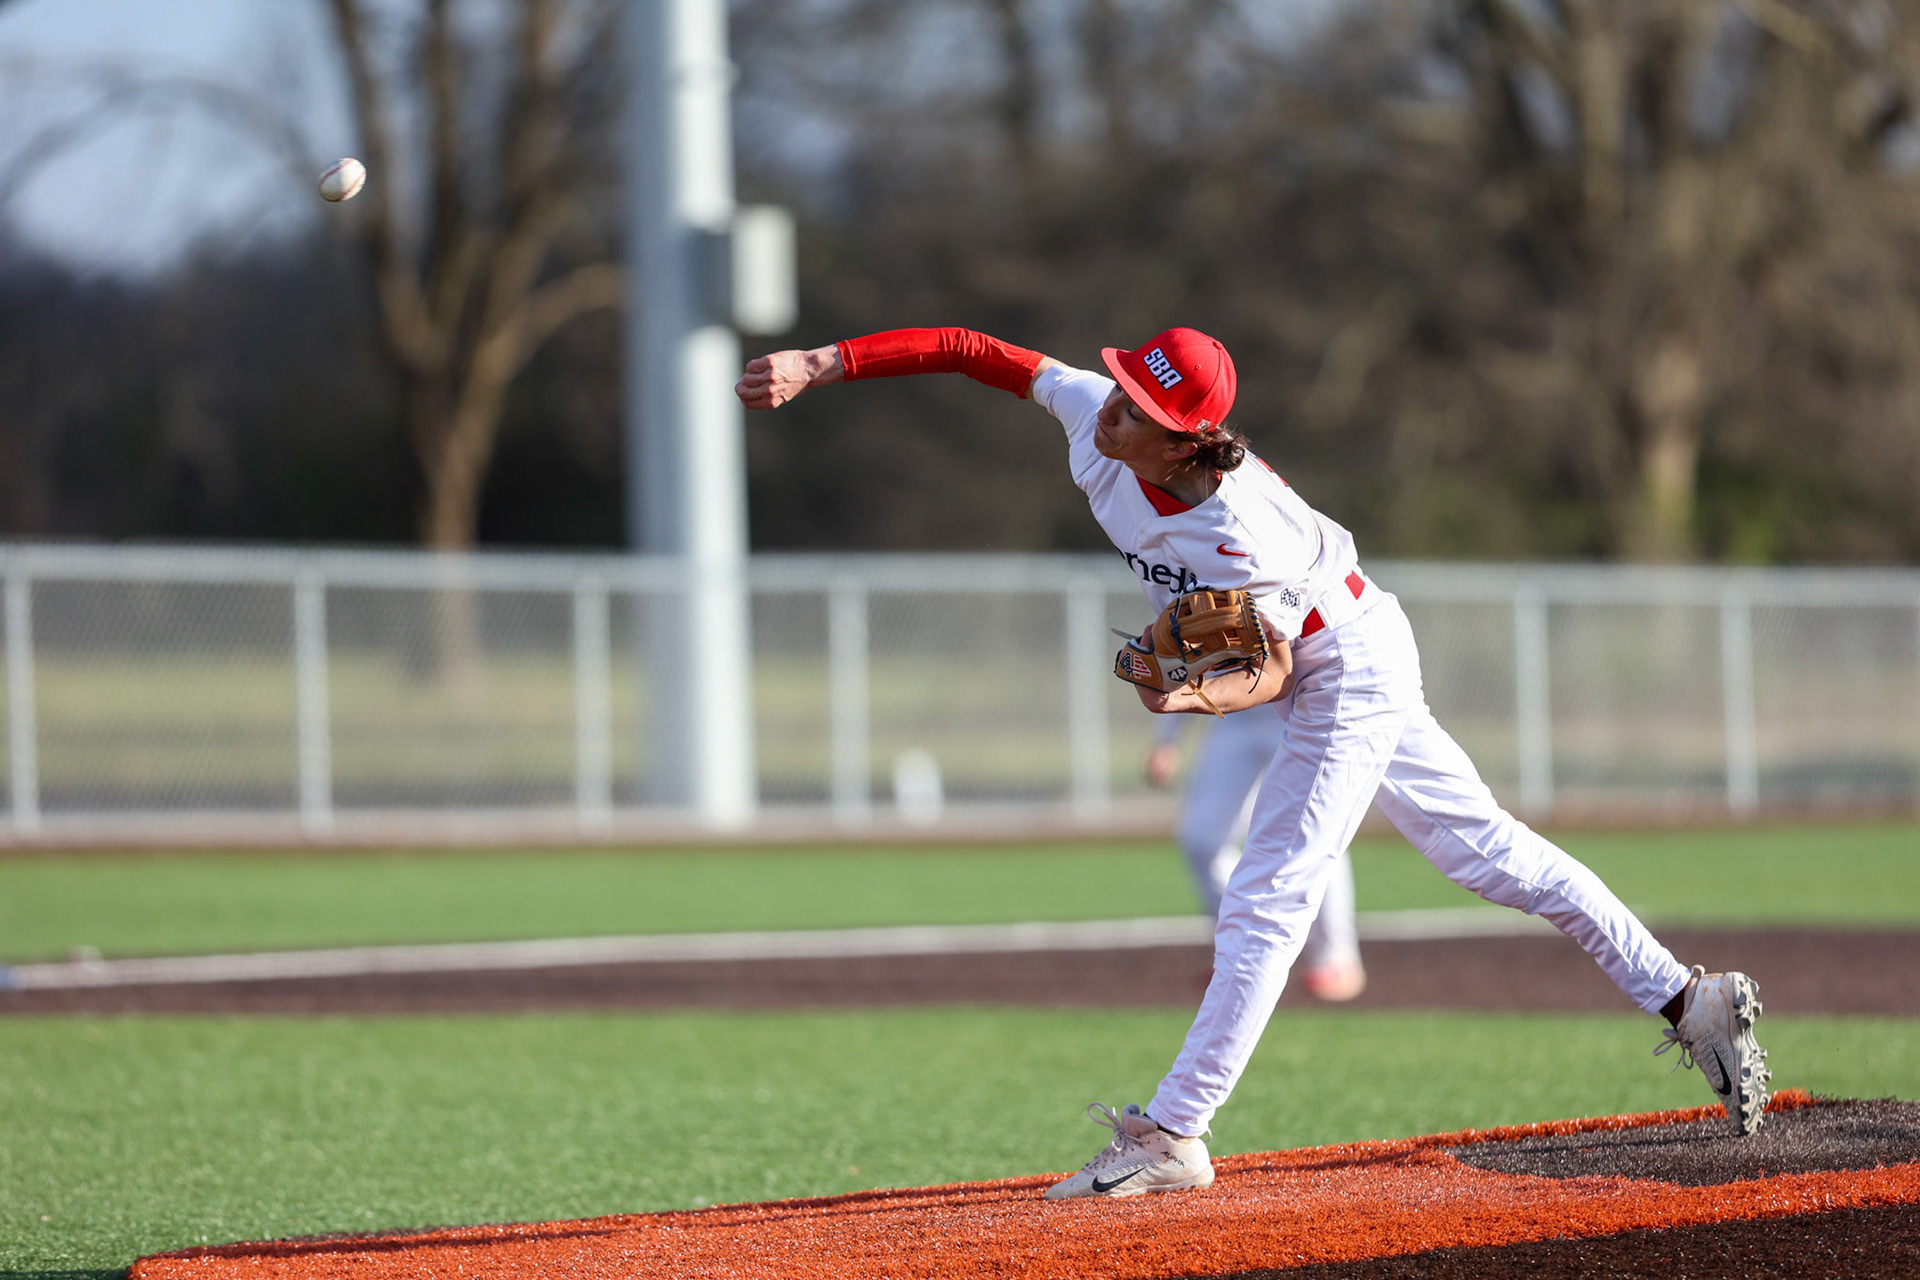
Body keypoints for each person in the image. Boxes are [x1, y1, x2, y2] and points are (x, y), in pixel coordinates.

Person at [735, 325, 1770, 1201]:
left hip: (1343, 659)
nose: (1113, 409)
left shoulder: (1240, 530)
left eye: (1139, 406)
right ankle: (1691, 999)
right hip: (1346, 634)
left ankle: (1173, 1133)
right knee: (1487, 854)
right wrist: (824, 364)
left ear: (1187, 441)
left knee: (1271, 890)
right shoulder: (1098, 414)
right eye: (1125, 385)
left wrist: (1186, 693)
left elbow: (1273, 670)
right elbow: (973, 351)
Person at [1145, 711, 1365, 1002]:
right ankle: (1242, 954)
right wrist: (1167, 738)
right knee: (1202, 839)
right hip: (1232, 717)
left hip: (1298, 713)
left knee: (1316, 830)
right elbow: (1184, 666)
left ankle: (1336, 958)